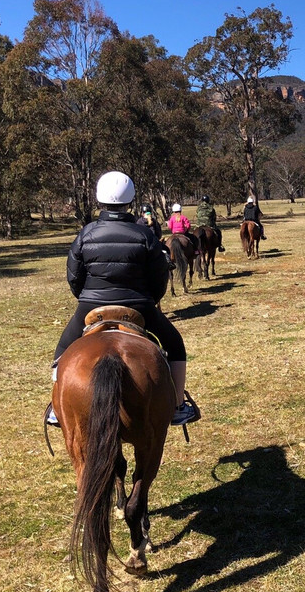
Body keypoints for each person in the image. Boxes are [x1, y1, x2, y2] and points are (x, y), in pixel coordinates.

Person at [46, 171, 199, 427]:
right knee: (174, 343)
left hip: (91, 304)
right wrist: (150, 300)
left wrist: (86, 298)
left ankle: (55, 407)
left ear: (99, 198)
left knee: (62, 349)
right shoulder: (145, 235)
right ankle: (177, 407)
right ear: (130, 199)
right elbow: (159, 277)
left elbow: (74, 276)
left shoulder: (86, 234)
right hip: (138, 304)